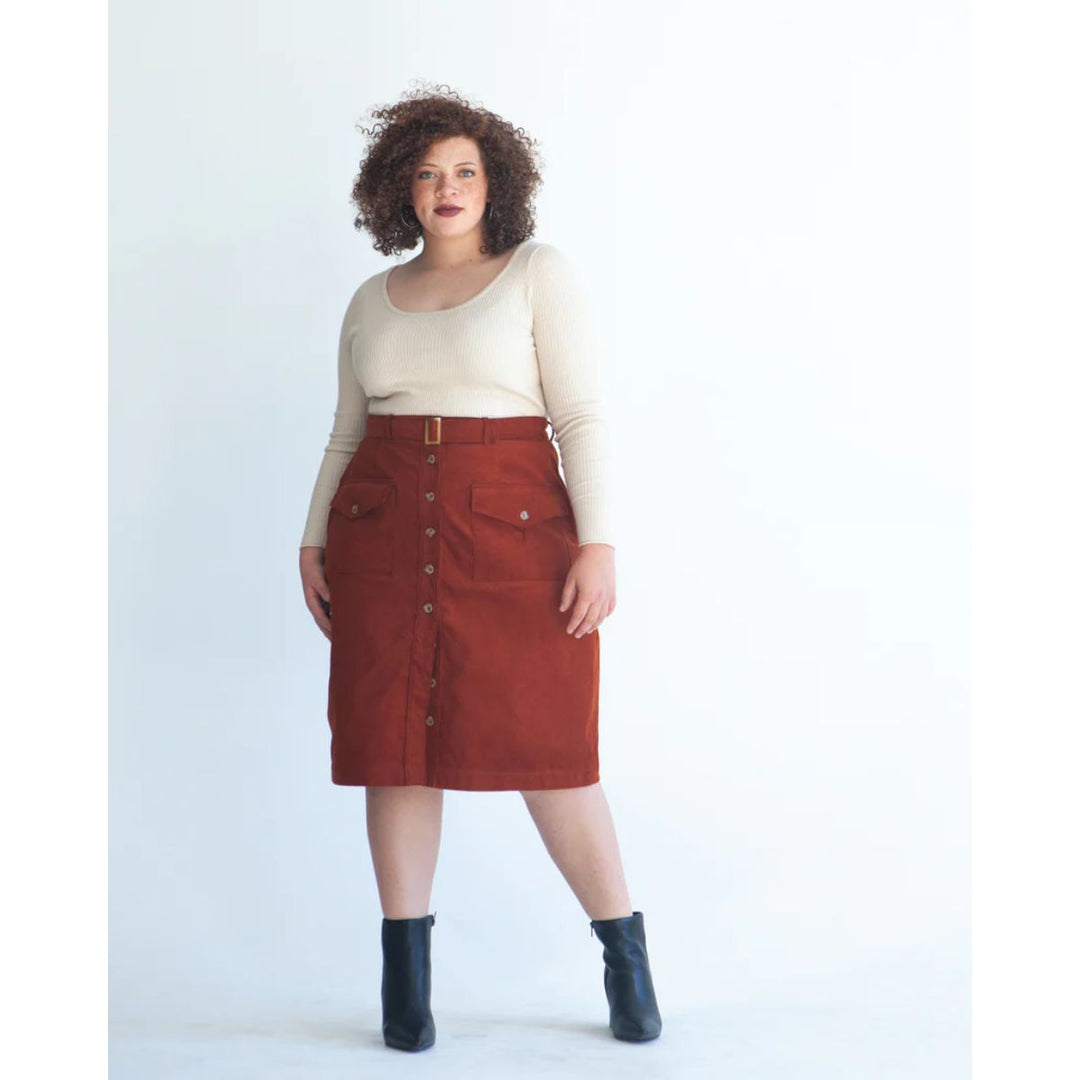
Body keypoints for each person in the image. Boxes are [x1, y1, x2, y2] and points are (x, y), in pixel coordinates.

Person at [297, 85, 661, 1051]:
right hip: (379, 534)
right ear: (399, 190)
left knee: (551, 749)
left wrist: (598, 542)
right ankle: (405, 987)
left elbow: (580, 416)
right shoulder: (370, 300)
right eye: (425, 174)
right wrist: (311, 539)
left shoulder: (537, 273)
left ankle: (625, 958)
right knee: (394, 754)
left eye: (463, 170)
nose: (446, 188)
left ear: (495, 182)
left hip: (513, 537)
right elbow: (345, 432)